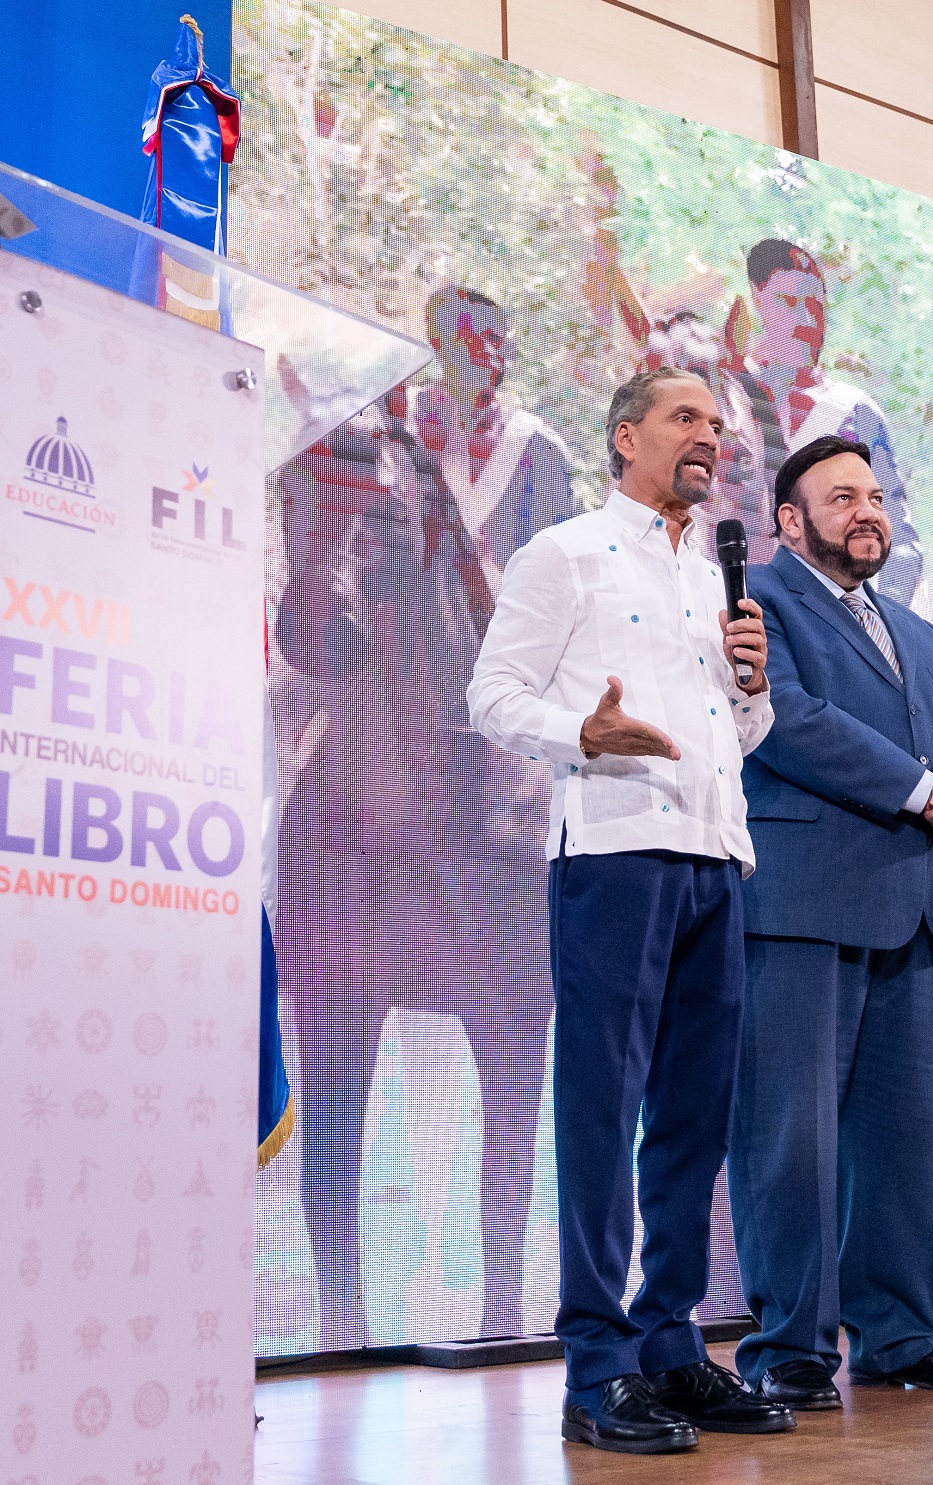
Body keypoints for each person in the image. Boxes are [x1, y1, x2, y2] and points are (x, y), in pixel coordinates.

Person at [468, 367, 794, 1454]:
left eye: (717, 424)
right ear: (626, 437)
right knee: (604, 1113)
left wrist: (751, 690)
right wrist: (580, 735)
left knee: (696, 1118)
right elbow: (491, 695)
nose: (711, 436)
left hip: (715, 857)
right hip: (613, 856)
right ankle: (594, 1368)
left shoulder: (716, 577)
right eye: (686, 419)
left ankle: (668, 1347)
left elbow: (735, 736)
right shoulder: (560, 553)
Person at [273, 284, 576, 1347]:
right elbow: (320, 586)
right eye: (459, 339)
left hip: (488, 678)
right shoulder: (378, 438)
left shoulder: (531, 454)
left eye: (493, 342)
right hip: (374, 681)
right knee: (295, 738)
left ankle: (503, 1301)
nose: (476, 358)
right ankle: (337, 1317)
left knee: (547, 781)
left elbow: (551, 587)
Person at [726, 435, 933, 1410]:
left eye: (876, 495)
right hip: (798, 904)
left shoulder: (915, 630)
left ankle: (898, 1335)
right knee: (786, 1139)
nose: (868, 511)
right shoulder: (756, 596)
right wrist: (925, 787)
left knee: (913, 1135)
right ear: (791, 520)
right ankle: (789, 1348)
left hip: (914, 910)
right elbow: (784, 716)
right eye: (841, 497)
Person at [730, 239, 925, 602]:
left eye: (816, 306)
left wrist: (880, 626)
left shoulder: (854, 410)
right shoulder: (728, 396)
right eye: (788, 303)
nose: (806, 321)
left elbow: (899, 541)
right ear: (757, 302)